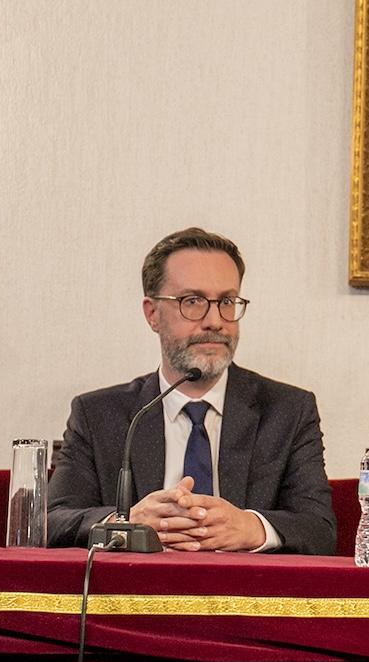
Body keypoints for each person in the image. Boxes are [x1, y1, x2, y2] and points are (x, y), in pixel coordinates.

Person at [47, 227, 335, 554]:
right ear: (152, 313)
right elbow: (54, 520)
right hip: (133, 596)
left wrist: (251, 527)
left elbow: (320, 529)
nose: (215, 321)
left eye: (227, 301)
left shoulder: (287, 410)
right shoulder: (100, 414)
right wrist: (125, 521)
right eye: (193, 301)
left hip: (244, 597)